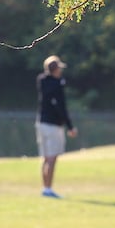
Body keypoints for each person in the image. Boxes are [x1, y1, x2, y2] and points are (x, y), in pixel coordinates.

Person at [36, 55, 78, 198]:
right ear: (56, 69)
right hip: (53, 125)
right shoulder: (57, 83)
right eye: (59, 68)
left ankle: (45, 188)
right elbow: (62, 107)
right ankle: (48, 188)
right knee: (52, 158)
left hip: (41, 123)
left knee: (46, 158)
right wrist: (70, 127)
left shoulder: (42, 80)